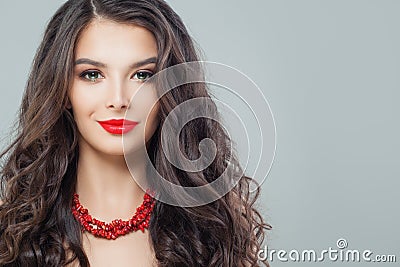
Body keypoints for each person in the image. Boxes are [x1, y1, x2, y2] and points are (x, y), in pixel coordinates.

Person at [0, 0, 271, 266]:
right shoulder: (9, 229)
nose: (119, 100)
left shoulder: (217, 228)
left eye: (142, 75)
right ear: (62, 89)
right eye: (92, 74)